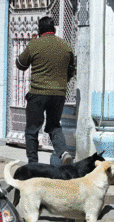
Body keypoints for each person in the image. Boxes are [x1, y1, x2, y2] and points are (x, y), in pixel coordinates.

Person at [16, 16, 75, 165]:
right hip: (59, 94)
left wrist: (31, 43)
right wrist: (62, 83)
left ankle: (33, 164)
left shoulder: (35, 45)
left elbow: (20, 65)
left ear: (39, 30)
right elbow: (71, 71)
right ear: (54, 30)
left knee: (32, 129)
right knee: (54, 126)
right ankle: (64, 152)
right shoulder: (66, 46)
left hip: (37, 94)